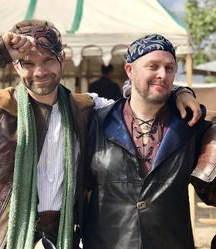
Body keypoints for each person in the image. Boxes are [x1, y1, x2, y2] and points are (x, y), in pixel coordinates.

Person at [0, 22, 202, 249]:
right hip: (5, 237)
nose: (39, 71)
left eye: (47, 60)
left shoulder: (87, 107)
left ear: (62, 59)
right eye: (28, 63)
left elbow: (138, 97)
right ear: (16, 67)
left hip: (63, 237)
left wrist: (177, 91)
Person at [83, 34, 213, 249]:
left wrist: (182, 90)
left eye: (170, 68)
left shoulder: (192, 125)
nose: (162, 74)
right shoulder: (94, 122)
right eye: (153, 66)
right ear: (130, 71)